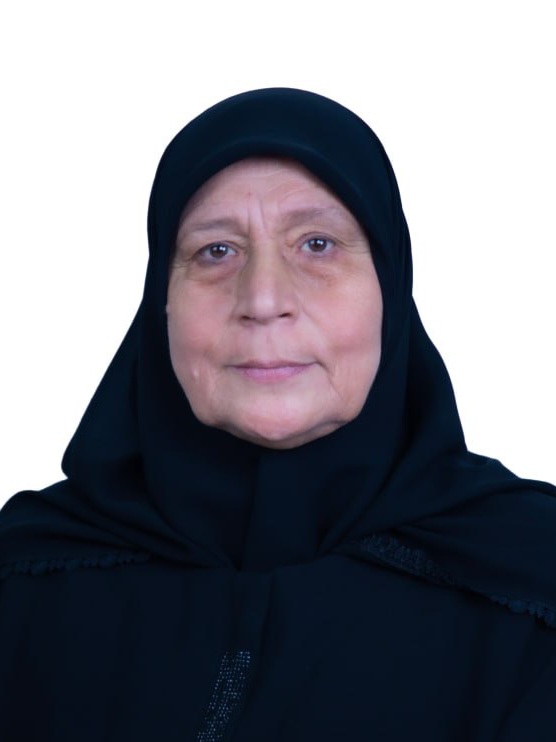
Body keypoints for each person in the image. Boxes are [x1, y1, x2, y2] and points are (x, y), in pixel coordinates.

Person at [1, 88, 555, 741]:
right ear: (160, 303)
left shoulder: (531, 584)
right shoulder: (25, 580)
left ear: (391, 288)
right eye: (216, 251)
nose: (263, 300)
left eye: (317, 244)